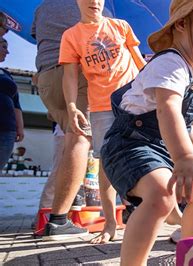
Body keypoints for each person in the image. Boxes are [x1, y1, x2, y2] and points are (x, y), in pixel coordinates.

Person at [100, 0, 193, 263]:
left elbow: (184, 124)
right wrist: (183, 157)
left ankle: (189, 255)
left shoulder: (189, 75)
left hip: (159, 147)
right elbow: (167, 110)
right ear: (183, 24)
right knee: (161, 195)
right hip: (129, 144)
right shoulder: (171, 63)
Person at [59, 0, 146, 244]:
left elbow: (141, 63)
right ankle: (110, 223)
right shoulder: (71, 36)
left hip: (134, 102)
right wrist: (73, 106)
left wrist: (154, 93)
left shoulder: (121, 26)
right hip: (100, 107)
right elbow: (69, 76)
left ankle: (160, 212)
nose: (94, 2)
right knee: (106, 164)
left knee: (147, 153)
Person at [31, 0, 109, 241]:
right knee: (80, 140)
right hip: (74, 74)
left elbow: (36, 35)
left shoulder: (42, 7)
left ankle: (54, 218)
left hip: (45, 78)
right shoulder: (91, 5)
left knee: (69, 143)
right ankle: (58, 220)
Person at [0, 36, 24, 170]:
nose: (7, 52)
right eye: (4, 47)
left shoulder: (6, 74)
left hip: (7, 130)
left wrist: (19, 127)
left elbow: (16, 104)